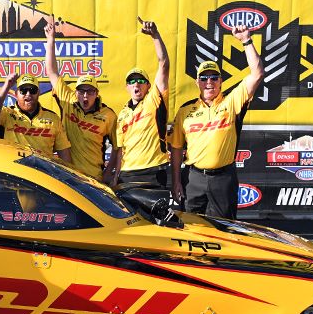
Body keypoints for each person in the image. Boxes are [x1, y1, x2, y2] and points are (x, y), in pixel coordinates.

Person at [169, 24, 264, 220]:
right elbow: (176, 148)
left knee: (224, 231)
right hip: (193, 178)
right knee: (190, 230)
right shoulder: (185, 110)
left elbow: (257, 74)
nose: (209, 82)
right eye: (204, 78)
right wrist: (176, 181)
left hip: (223, 178)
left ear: (221, 81)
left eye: (214, 77)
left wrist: (246, 41)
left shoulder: (232, 101)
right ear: (197, 82)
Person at [44, 20, 118, 181]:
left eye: (90, 92)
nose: (85, 96)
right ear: (75, 92)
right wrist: (50, 40)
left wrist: (109, 174)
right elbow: (51, 72)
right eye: (82, 91)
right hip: (68, 176)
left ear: (97, 93)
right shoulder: (68, 100)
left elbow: (118, 148)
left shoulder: (108, 115)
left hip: (94, 178)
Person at [112, 18, 171, 188]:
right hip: (127, 174)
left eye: (140, 80)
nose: (136, 84)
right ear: (127, 87)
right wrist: (116, 176)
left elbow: (164, 64)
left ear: (148, 86)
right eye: (132, 81)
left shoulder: (154, 99)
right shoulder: (122, 114)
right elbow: (121, 149)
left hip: (153, 171)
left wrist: (155, 36)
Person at [0, 73, 72, 163]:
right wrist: (7, 86)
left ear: (38, 93)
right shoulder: (7, 113)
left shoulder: (53, 118)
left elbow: (64, 152)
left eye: (32, 90)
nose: (28, 94)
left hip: (43, 172)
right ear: (16, 94)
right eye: (23, 90)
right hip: (14, 170)